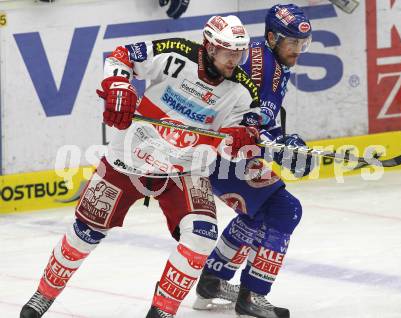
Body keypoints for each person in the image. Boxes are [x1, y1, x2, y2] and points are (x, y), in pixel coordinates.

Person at [20, 15, 261, 318]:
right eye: (229, 53)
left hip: (184, 169)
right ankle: (42, 296)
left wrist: (241, 139)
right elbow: (122, 55)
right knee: (85, 232)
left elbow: (242, 142)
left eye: (239, 54)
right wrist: (119, 85)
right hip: (129, 158)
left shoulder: (243, 90)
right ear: (210, 48)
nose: (235, 61)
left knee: (201, 235)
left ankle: (162, 312)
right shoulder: (176, 52)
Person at [192, 4, 314, 318]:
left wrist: (284, 142)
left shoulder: (269, 58)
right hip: (221, 155)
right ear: (272, 37)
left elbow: (260, 122)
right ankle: (252, 295)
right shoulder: (264, 66)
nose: (298, 50)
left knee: (257, 214)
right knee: (285, 210)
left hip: (221, 154)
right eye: (292, 43)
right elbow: (245, 124)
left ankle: (212, 282)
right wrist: (279, 146)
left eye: (303, 43)